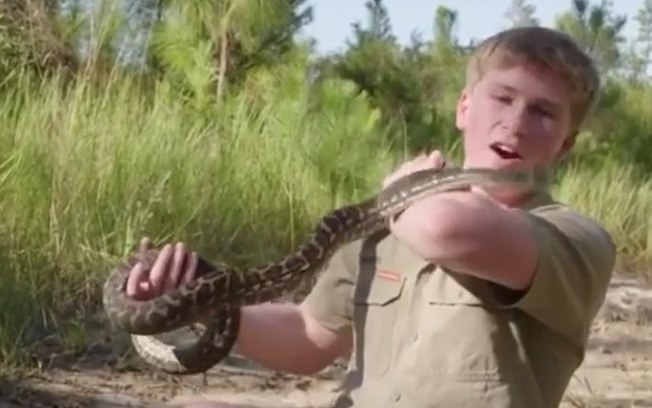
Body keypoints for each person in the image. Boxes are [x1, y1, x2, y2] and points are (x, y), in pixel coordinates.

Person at [125, 26, 616, 408]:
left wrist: (400, 191)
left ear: (565, 144)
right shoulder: (383, 230)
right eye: (503, 98)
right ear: (464, 107)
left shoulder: (572, 238)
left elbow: (445, 229)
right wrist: (198, 301)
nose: (515, 122)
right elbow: (309, 337)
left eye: (543, 113)